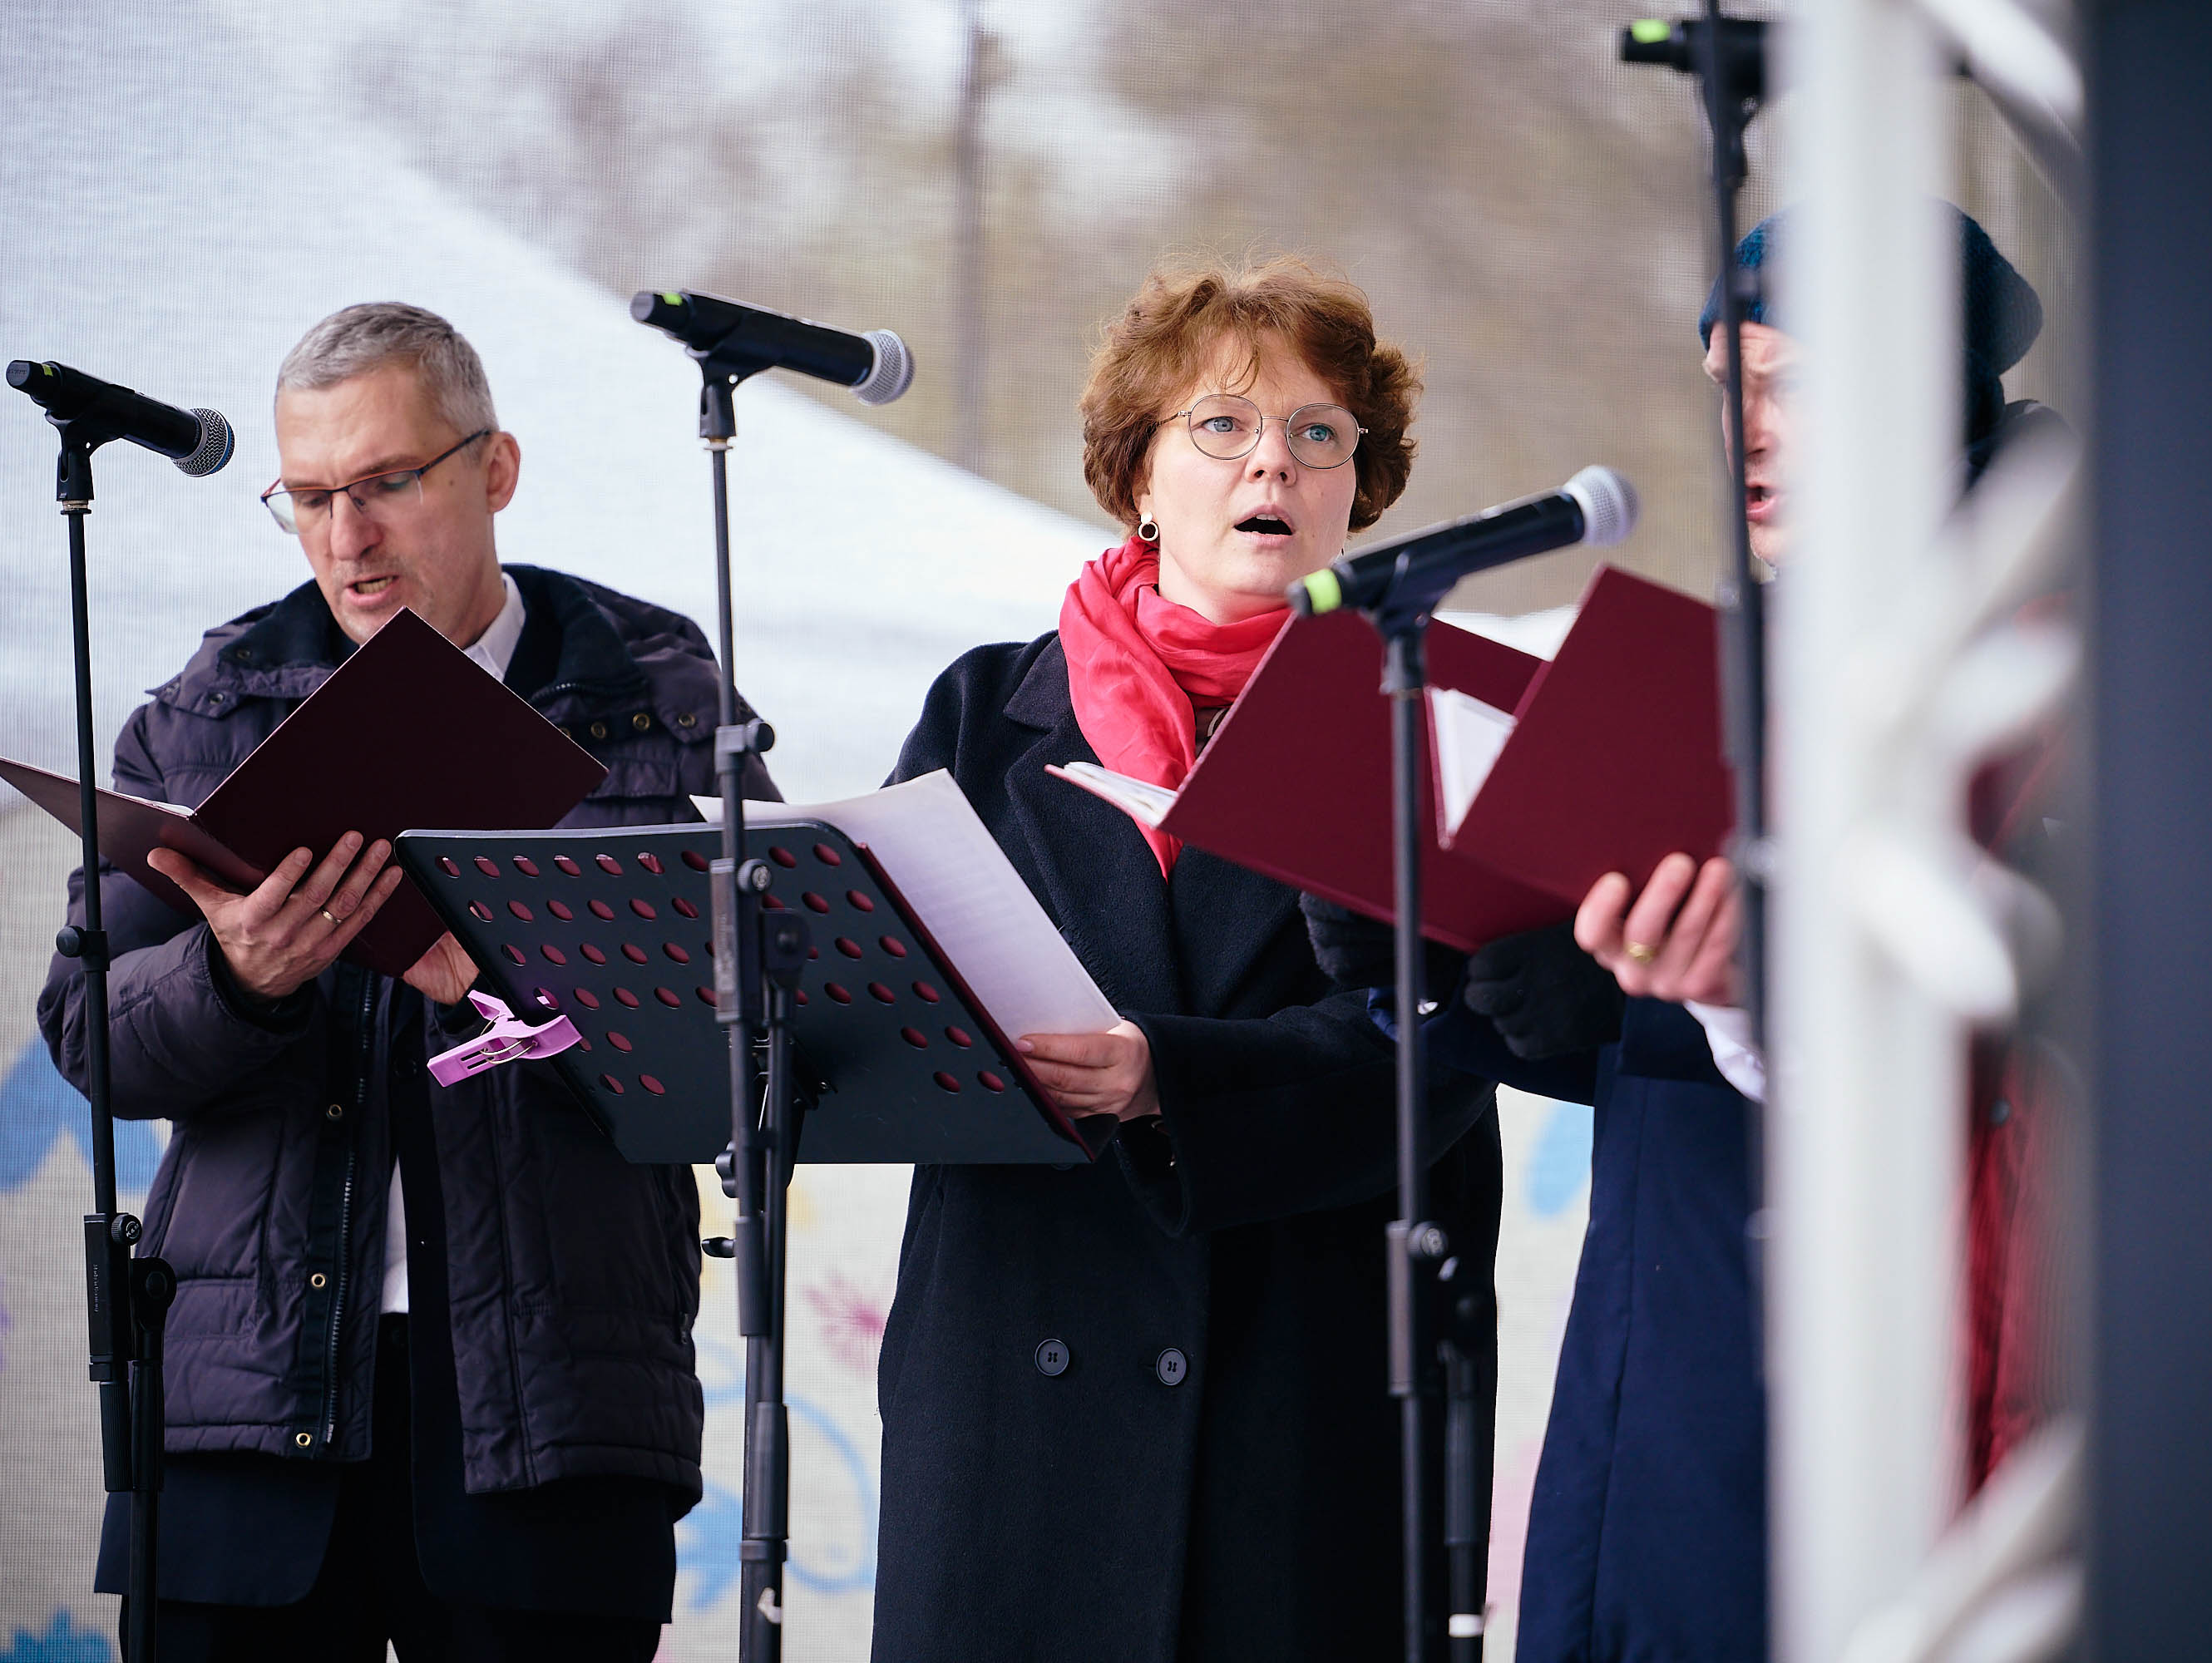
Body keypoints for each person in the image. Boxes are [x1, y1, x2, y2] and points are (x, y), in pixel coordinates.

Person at [1311, 208, 2056, 1663]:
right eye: (1725, 388)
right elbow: (1662, 1059)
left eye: (1791, 384)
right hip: (1650, 1376)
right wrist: (1457, 971)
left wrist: (1653, 999)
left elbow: (2001, 1060)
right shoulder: (1746, 649)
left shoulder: (2030, 667)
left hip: (1866, 1410)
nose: (1743, 434)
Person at [36, 302, 775, 1661]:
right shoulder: (209, 710)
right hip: (245, 1409)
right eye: (309, 498)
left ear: (495, 469)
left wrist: (506, 992)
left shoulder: (658, 706)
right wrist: (237, 978)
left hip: (556, 1416)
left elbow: (759, 1051)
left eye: (384, 484)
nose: (347, 539)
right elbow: (93, 1038)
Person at [869, 256, 1500, 1663]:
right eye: (1222, 424)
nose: (1274, 461)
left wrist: (1174, 1078)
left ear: (1357, 488)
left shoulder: (1420, 719)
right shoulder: (983, 709)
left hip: (1293, 1407)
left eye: (1319, 433)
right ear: (1139, 477)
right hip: (1012, 1398)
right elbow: (887, 995)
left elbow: (1448, 1053)